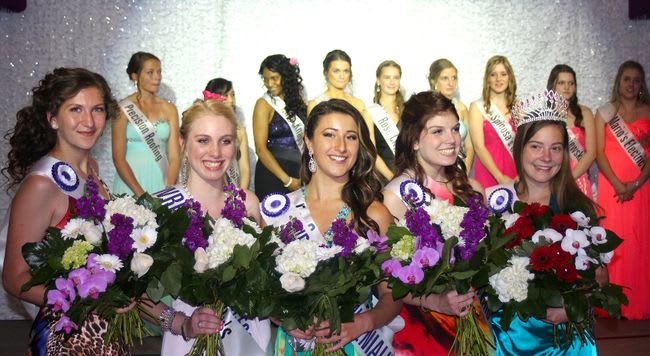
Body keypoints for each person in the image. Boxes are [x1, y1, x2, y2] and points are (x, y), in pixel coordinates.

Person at [1, 67, 128, 354]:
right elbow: (13, 277)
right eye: (75, 109)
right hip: (66, 336)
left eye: (97, 109)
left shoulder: (91, 169)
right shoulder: (42, 184)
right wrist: (84, 300)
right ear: (53, 119)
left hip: (102, 329)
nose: (88, 121)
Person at [261, 99, 403, 355]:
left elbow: (393, 294)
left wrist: (364, 321)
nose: (341, 147)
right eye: (329, 135)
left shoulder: (374, 214)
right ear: (308, 141)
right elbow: (261, 289)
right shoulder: (278, 212)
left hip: (357, 345)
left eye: (351, 137)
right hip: (296, 346)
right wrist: (282, 315)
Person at [150, 99, 271, 355]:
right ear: (183, 144)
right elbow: (135, 295)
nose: (215, 152)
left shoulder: (248, 202)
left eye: (225, 141)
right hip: (189, 343)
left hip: (250, 339)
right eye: (203, 140)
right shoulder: (162, 206)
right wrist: (181, 324)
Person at [485, 89, 599, 355]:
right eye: (536, 146)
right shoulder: (497, 201)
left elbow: (600, 277)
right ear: (520, 148)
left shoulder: (577, 207)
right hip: (508, 340)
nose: (546, 157)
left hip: (565, 340)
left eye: (555, 148)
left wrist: (572, 308)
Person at [382, 91, 491, 354]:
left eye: (454, 129)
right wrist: (436, 301)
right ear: (415, 140)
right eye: (437, 131)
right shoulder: (396, 196)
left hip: (473, 321)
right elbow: (385, 284)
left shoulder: (472, 189)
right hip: (422, 331)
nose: (451, 139)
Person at [594, 60, 650, 320]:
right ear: (618, 81)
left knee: (640, 242)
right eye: (626, 79)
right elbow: (598, 152)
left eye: (636, 80)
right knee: (614, 244)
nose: (631, 84)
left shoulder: (649, 112)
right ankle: (611, 303)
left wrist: (636, 183)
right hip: (611, 187)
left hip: (642, 187)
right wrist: (618, 184)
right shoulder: (604, 112)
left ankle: (640, 301)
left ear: (642, 85)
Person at [309, 50, 393, 180]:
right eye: (336, 71)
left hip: (356, 168)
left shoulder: (359, 104)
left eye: (346, 71)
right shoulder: (315, 104)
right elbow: (314, 141)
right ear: (326, 73)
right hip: (328, 167)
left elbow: (365, 142)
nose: (342, 76)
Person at [112, 51, 181, 197]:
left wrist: (167, 188)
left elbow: (175, 156)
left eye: (159, 72)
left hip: (161, 182)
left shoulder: (169, 109)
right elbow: (118, 158)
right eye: (150, 72)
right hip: (130, 183)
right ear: (135, 76)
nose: (157, 77)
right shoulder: (123, 108)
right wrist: (140, 194)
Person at [252, 54, 307, 200]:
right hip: (274, 175)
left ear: (285, 77)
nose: (269, 83)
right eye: (265, 78)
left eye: (274, 78)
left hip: (298, 172)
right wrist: (287, 180)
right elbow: (260, 149)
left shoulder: (298, 101)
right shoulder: (263, 104)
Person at [468, 55, 518, 189]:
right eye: (493, 74)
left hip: (516, 172)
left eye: (503, 74)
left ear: (510, 77)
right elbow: (479, 147)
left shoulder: (518, 107)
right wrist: (499, 177)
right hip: (489, 172)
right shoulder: (477, 107)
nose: (498, 79)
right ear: (487, 79)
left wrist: (524, 173)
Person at [547, 64, 596, 198]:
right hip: (551, 180)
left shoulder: (585, 113)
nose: (567, 87)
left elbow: (591, 153)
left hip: (578, 180)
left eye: (571, 83)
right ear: (553, 86)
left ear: (575, 87)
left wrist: (569, 179)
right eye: (562, 83)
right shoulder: (544, 114)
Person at [203, 77, 252, 189]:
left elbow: (244, 169)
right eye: (225, 96)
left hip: (233, 191)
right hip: (208, 188)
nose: (231, 100)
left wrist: (241, 195)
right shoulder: (203, 129)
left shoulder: (240, 131)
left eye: (233, 95)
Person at [428, 58, 474, 171]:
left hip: (460, 169)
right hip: (435, 171)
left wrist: (465, 171)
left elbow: (470, 145)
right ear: (434, 81)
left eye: (454, 78)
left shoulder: (462, 108)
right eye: (445, 78)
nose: (451, 83)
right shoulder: (426, 109)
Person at [366, 60, 405, 181]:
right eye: (387, 77)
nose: (392, 82)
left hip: (409, 175)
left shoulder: (408, 111)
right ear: (378, 80)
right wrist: (391, 178)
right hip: (383, 178)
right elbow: (371, 151)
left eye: (396, 77)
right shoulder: (369, 113)